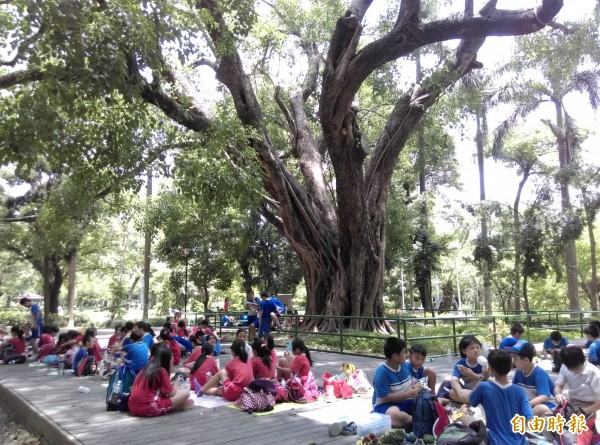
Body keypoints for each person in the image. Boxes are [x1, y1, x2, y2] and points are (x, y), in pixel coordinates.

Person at [468, 349, 533, 445]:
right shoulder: (520, 391)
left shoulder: (484, 387)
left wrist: (483, 378)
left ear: (490, 369)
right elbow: (529, 417)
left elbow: (472, 400)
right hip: (520, 442)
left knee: (464, 416)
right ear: (511, 366)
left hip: (496, 441)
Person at [128, 343, 193, 417]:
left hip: (132, 407)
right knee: (185, 393)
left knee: (182, 399)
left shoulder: (145, 369)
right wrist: (176, 381)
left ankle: (177, 406)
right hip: (148, 407)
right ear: (168, 359)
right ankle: (178, 407)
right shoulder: (161, 370)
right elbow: (172, 393)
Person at [371, 337, 418, 428]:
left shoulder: (406, 365)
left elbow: (421, 372)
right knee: (395, 416)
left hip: (407, 401)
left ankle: (417, 420)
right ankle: (417, 422)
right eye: (404, 353)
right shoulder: (381, 373)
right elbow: (385, 398)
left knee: (427, 403)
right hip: (387, 405)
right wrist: (408, 394)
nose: (407, 355)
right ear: (395, 356)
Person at [508, 340, 556, 416]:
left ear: (526, 360)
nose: (513, 361)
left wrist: (523, 406)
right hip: (529, 404)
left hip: (548, 405)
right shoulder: (519, 372)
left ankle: (522, 424)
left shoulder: (539, 373)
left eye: (515, 359)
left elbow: (544, 397)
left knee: (540, 408)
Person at [554, 346, 600, 415]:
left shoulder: (594, 373)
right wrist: (558, 394)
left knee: (576, 423)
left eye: (577, 368)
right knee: (549, 417)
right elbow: (559, 386)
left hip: (588, 405)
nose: (574, 371)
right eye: (570, 369)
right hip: (571, 401)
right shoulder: (565, 366)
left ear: (584, 359)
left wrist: (585, 411)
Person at [449, 335, 488, 404]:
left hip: (484, 391)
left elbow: (488, 379)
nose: (476, 350)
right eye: (472, 348)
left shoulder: (485, 362)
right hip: (469, 392)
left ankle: (476, 401)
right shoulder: (461, 363)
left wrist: (471, 375)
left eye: (478, 348)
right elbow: (454, 380)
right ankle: (477, 401)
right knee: (452, 392)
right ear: (464, 351)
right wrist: (459, 391)